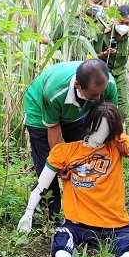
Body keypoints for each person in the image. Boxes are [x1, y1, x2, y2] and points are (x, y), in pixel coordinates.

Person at [17, 102, 129, 257]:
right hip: (78, 222)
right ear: (88, 125)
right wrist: (28, 212)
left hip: (115, 223)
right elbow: (41, 186)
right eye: (98, 128)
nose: (101, 134)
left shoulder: (116, 145)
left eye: (107, 129)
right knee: (64, 234)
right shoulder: (65, 151)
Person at [23, 59, 118, 220]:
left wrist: (117, 143)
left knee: (86, 156)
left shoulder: (107, 85)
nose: (99, 97)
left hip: (75, 113)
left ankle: (86, 209)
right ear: (77, 86)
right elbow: (54, 130)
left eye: (101, 92)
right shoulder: (54, 92)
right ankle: (49, 214)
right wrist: (60, 165)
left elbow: (111, 119)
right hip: (40, 113)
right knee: (48, 161)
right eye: (94, 95)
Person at [43, 0, 110, 61]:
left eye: (100, 4)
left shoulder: (100, 25)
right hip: (68, 66)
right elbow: (52, 40)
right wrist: (36, 38)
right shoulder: (69, 18)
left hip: (86, 67)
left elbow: (95, 54)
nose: (97, 6)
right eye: (95, 2)